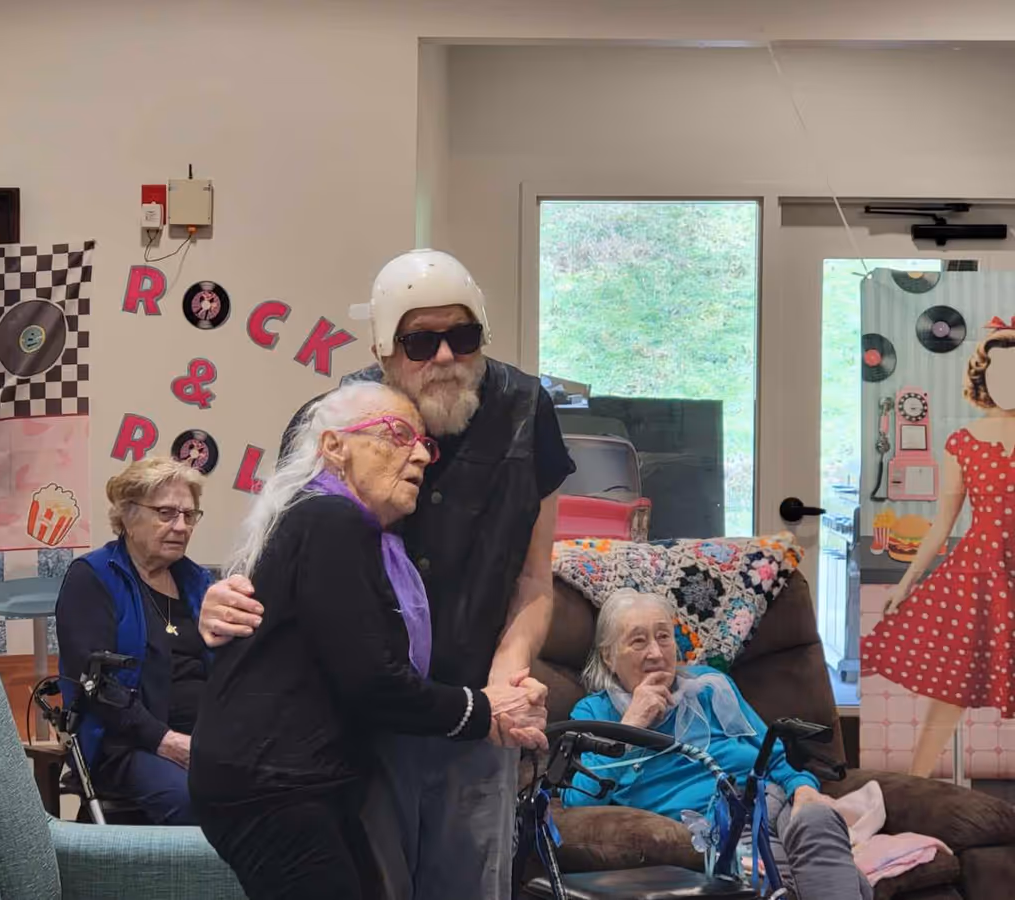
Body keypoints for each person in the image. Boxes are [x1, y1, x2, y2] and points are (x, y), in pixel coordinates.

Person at [199, 248, 575, 900]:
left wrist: (501, 690)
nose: (444, 358)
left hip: (477, 716)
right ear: (383, 348)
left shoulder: (525, 410)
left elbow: (534, 580)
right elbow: (279, 551)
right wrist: (220, 596)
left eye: (462, 337)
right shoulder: (335, 420)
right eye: (419, 341)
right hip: (362, 734)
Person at [563, 589, 871, 900]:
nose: (656, 653)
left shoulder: (710, 687)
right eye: (638, 641)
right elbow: (577, 802)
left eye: (664, 637)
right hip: (722, 830)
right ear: (608, 655)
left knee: (818, 818)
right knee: (806, 885)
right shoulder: (593, 714)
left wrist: (804, 788)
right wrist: (630, 726)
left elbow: (774, 757)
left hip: (771, 801)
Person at [862, 319, 1015, 777]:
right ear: (983, 378)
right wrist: (907, 583)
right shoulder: (963, 443)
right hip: (979, 575)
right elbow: (943, 524)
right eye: (1001, 373)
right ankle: (914, 794)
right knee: (949, 691)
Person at [55, 457, 212, 825]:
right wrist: (166, 740)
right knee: (194, 798)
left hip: (205, 735)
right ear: (127, 515)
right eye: (166, 513)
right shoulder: (93, 578)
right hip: (126, 743)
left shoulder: (196, 581)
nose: (181, 526)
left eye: (189, 516)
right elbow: (97, 686)